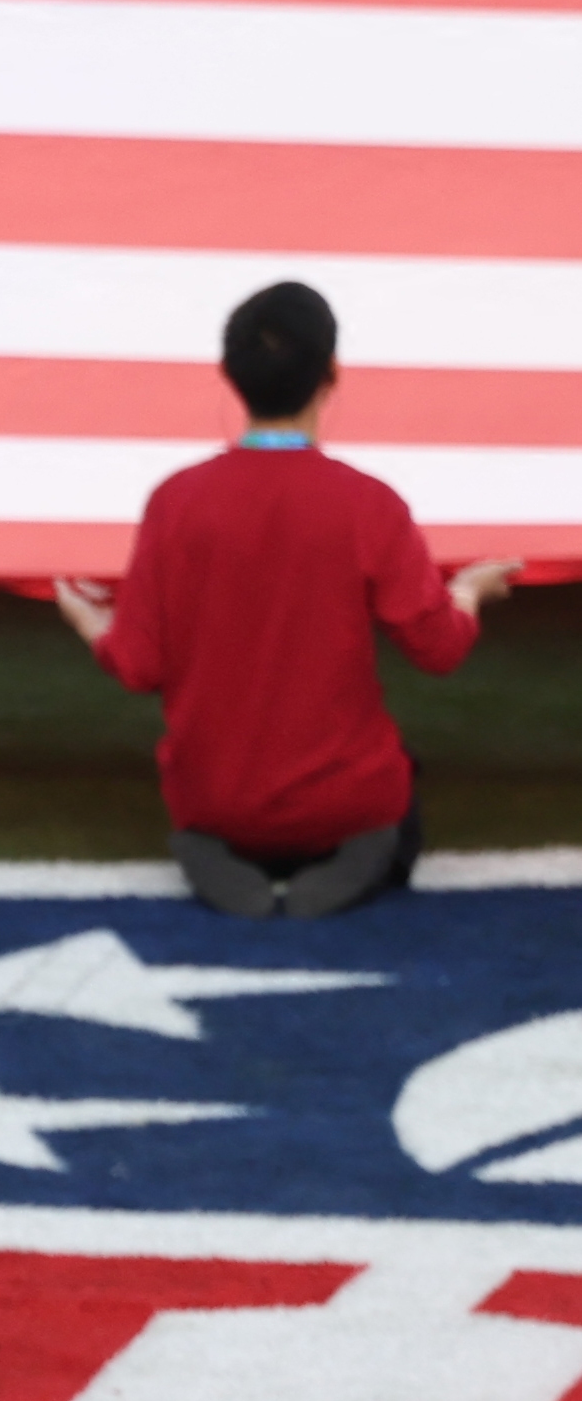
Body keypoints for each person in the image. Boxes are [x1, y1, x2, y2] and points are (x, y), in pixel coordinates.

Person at [56, 281, 518, 922]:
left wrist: (91, 622)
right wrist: (467, 591)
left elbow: (138, 664)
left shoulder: (175, 503)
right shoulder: (368, 506)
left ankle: (209, 852)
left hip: (212, 799)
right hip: (347, 800)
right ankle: (363, 856)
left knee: (211, 813)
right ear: (332, 375)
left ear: (228, 375)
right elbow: (438, 648)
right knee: (396, 800)